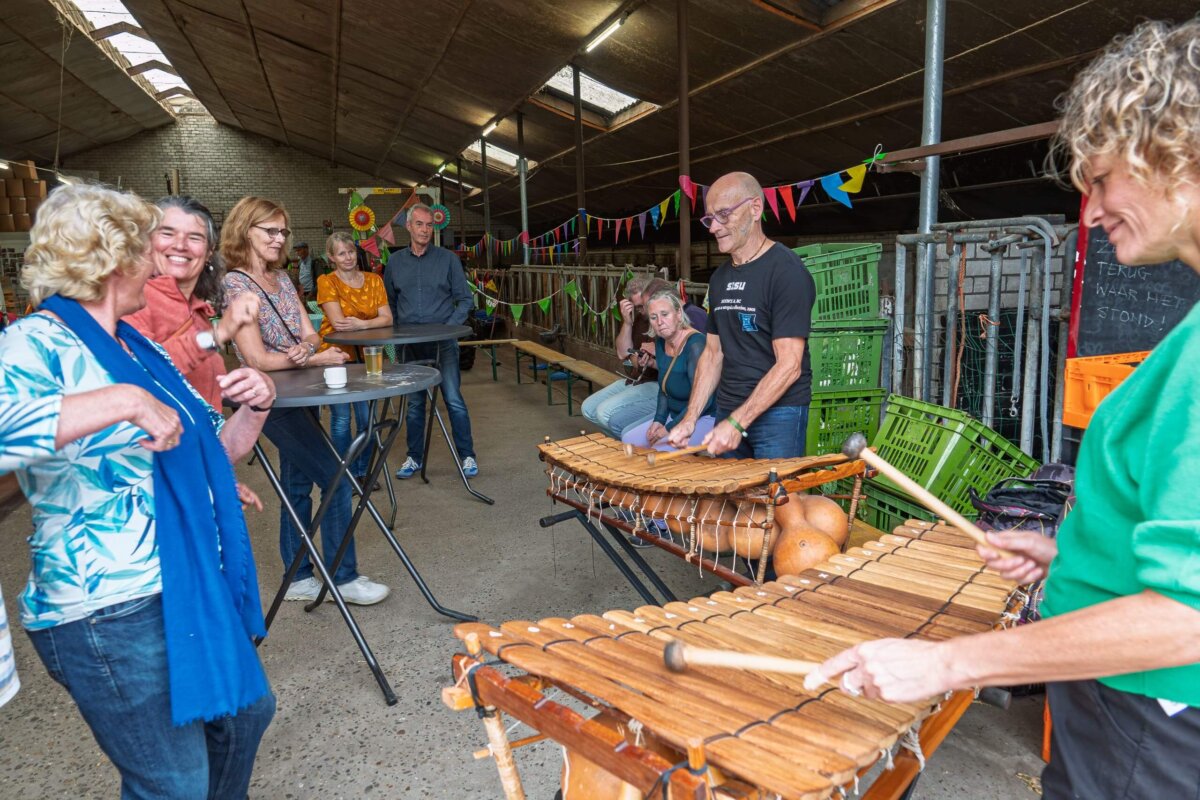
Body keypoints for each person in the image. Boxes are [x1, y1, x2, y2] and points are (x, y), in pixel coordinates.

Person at [805, 20, 1200, 799]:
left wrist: (950, 661)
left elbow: (1189, 617)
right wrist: (1080, 558)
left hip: (1155, 731)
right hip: (1132, 713)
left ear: (1175, 151)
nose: (1088, 213)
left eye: (1102, 179)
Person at [0, 183, 276, 797]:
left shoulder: (137, 344)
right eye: (146, 249)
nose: (159, 262)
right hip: (105, 606)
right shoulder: (33, 342)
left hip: (177, 582)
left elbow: (204, 447)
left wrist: (254, 408)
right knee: (173, 783)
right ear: (113, 260)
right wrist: (119, 401)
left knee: (245, 720)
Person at [222, 196, 389, 606]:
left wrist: (306, 349)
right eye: (270, 231)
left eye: (283, 232)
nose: (280, 239)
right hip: (272, 400)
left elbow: (311, 329)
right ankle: (342, 577)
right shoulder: (235, 283)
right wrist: (308, 355)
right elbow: (257, 357)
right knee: (335, 476)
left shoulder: (281, 279)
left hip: (303, 391)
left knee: (297, 483)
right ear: (246, 231)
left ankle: (297, 576)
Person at [667, 172, 815, 459]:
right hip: (729, 408)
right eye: (710, 218)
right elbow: (712, 354)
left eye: (724, 214)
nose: (714, 228)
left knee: (776, 503)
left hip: (779, 415)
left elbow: (790, 366)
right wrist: (690, 418)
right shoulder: (720, 278)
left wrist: (738, 422)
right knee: (734, 503)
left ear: (755, 208)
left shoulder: (786, 272)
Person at [382, 203, 478, 479]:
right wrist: (397, 333)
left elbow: (465, 300)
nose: (425, 230)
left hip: (443, 342)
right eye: (420, 224)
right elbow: (390, 302)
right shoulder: (395, 262)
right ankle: (414, 458)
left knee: (453, 398)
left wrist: (448, 329)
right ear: (409, 227)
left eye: (429, 225)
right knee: (414, 403)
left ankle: (467, 455)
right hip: (410, 344)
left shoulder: (448, 259)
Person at [317, 230, 393, 483]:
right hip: (337, 355)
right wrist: (372, 322)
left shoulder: (374, 280)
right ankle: (342, 474)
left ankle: (361, 472)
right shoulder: (327, 281)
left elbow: (388, 318)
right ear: (332, 257)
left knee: (366, 418)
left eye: (351, 252)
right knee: (341, 419)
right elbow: (339, 324)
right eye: (341, 253)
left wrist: (360, 325)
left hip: (369, 353)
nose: (348, 257)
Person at [621, 288, 717, 451]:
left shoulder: (695, 345)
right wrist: (658, 420)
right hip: (674, 415)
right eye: (653, 317)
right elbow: (664, 389)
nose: (659, 322)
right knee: (629, 440)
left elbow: (704, 399)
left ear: (679, 314)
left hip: (702, 417)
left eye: (665, 314)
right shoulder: (661, 341)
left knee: (660, 448)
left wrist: (668, 428)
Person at [581, 277, 675, 439]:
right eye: (637, 306)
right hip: (635, 379)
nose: (642, 310)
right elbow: (622, 353)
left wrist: (653, 361)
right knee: (588, 408)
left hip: (657, 383)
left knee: (605, 413)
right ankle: (622, 443)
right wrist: (627, 322)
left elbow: (677, 363)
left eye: (643, 305)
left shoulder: (664, 321)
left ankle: (627, 446)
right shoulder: (637, 317)